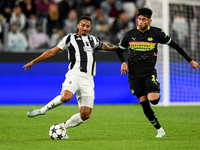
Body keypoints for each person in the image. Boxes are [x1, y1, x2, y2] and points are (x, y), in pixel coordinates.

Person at [23, 16, 119, 139]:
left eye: (87, 26)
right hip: (75, 74)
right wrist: (34, 61)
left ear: (90, 28)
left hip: (88, 79)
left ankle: (63, 127)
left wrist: (119, 46)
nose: (85, 28)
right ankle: (43, 110)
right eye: (83, 25)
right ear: (78, 26)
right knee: (67, 96)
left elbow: (106, 46)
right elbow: (52, 51)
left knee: (85, 115)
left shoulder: (92, 39)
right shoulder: (70, 38)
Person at [116, 7, 199, 138]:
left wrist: (190, 61)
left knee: (153, 100)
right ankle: (160, 130)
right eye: (139, 19)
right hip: (134, 75)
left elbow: (175, 45)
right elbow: (119, 51)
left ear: (149, 21)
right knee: (144, 103)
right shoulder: (130, 34)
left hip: (149, 72)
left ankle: (154, 89)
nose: (141, 22)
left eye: (144, 19)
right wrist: (123, 62)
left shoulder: (156, 33)